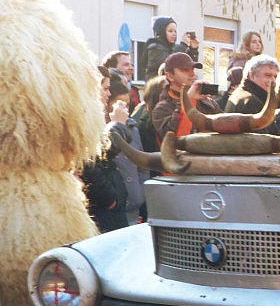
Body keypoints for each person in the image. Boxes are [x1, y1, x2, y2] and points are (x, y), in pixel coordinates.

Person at [0, 0, 104, 306]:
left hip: (15, 196)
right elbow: (81, 134)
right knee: (37, 300)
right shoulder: (55, 52)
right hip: (44, 201)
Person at [80, 68, 129, 233]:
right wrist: (110, 200)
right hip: (102, 211)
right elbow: (90, 162)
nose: (109, 94)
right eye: (105, 89)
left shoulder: (95, 115)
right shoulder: (82, 119)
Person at [105, 69, 151, 224]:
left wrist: (140, 192)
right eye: (119, 104)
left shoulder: (133, 127)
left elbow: (142, 165)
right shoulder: (102, 132)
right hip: (115, 206)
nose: (124, 109)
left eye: (127, 105)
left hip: (134, 206)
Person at [150, 51, 218, 145]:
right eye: (185, 70)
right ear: (170, 76)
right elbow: (179, 140)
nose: (192, 74)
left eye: (192, 69)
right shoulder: (162, 108)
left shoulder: (208, 102)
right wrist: (188, 100)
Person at [141, 16, 197, 81]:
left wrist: (193, 49)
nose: (174, 34)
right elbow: (171, 63)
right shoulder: (154, 48)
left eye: (175, 31)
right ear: (161, 32)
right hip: (157, 85)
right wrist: (183, 45)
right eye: (170, 31)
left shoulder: (175, 47)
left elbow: (188, 65)